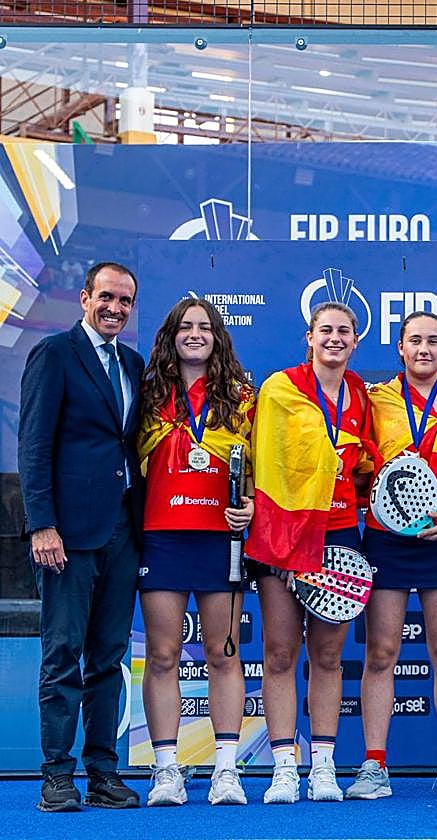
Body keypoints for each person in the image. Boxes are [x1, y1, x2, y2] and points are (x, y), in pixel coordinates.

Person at [19, 262, 145, 812]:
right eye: (107, 297)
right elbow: (33, 445)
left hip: (122, 530)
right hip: (66, 534)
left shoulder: (134, 364)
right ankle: (56, 775)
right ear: (84, 297)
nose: (115, 308)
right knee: (62, 652)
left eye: (125, 301)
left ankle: (103, 773)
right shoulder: (54, 354)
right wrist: (42, 524)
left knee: (109, 656)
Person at [348, 311, 437, 801]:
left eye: (433, 341)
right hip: (386, 540)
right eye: (415, 341)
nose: (424, 349)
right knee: (381, 652)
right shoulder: (376, 400)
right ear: (400, 349)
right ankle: (373, 766)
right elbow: (358, 465)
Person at [244, 301, 375, 804]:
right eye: (326, 331)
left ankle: (322, 765)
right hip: (285, 530)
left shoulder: (361, 393)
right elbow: (268, 456)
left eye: (344, 331)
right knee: (279, 652)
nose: (335, 339)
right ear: (309, 336)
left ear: (355, 341)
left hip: (340, 530)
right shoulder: (280, 387)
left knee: (328, 654)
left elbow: (361, 460)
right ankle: (283, 766)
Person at [136, 298, 255, 807]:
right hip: (161, 535)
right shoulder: (146, 395)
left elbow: (257, 472)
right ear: (171, 334)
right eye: (185, 326)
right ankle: (167, 771)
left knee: (222, 654)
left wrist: (248, 504)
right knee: (162, 656)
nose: (194, 334)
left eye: (204, 327)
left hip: (218, 540)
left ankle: (226, 769)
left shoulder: (241, 397)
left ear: (218, 337)